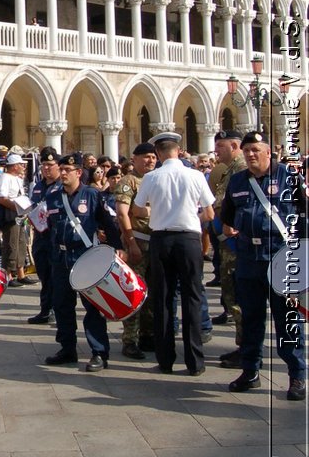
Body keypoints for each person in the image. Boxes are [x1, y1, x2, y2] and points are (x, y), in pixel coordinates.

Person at [220, 131, 306, 400]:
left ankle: (297, 376)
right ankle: (250, 371)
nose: (251, 154)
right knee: (251, 318)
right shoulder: (237, 181)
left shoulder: (288, 178)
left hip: (282, 258)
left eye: (256, 150)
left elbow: (304, 217)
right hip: (249, 260)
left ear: (269, 152)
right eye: (247, 151)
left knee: (288, 320)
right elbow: (228, 218)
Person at [131, 131, 215, 376]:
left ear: (158, 153)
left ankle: (165, 359)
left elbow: (137, 210)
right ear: (178, 150)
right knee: (192, 296)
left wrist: (157, 212)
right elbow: (209, 214)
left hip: (161, 239)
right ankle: (195, 362)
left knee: (163, 298)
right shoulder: (196, 175)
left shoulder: (152, 177)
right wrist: (190, 216)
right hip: (188, 238)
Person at [43, 152, 121, 371]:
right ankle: (67, 348)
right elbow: (49, 226)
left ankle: (99, 352)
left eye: (68, 170)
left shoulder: (91, 195)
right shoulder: (53, 196)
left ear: (79, 172)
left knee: (92, 307)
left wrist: (118, 247)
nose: (63, 173)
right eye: (62, 169)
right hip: (60, 258)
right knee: (62, 305)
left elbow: (108, 223)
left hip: (85, 256)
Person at [114, 142, 158, 359]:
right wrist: (131, 244)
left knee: (153, 292)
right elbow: (122, 214)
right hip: (138, 242)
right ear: (135, 159)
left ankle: (149, 335)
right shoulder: (128, 181)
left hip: (157, 241)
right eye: (146, 157)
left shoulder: (158, 179)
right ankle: (130, 339)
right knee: (134, 291)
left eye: (153, 157)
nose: (150, 161)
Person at [207, 130, 246, 355]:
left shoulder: (240, 170)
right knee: (232, 293)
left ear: (233, 146)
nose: (216, 151)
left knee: (238, 297)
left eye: (220, 146)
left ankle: (246, 349)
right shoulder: (230, 169)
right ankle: (244, 346)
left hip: (234, 243)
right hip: (226, 242)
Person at [27, 147, 62, 325]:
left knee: (56, 275)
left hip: (55, 237)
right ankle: (45, 310)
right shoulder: (39, 186)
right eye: (44, 165)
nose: (46, 169)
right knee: (44, 274)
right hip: (40, 237)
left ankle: (57, 310)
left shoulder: (62, 186)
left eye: (50, 165)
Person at [0, 153, 32, 285]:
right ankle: (8, 275)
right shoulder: (5, 178)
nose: (23, 166)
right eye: (20, 164)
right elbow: (2, 198)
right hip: (11, 214)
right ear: (14, 166)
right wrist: (17, 208)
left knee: (21, 243)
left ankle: (21, 273)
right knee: (11, 244)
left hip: (20, 214)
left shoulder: (17, 178)